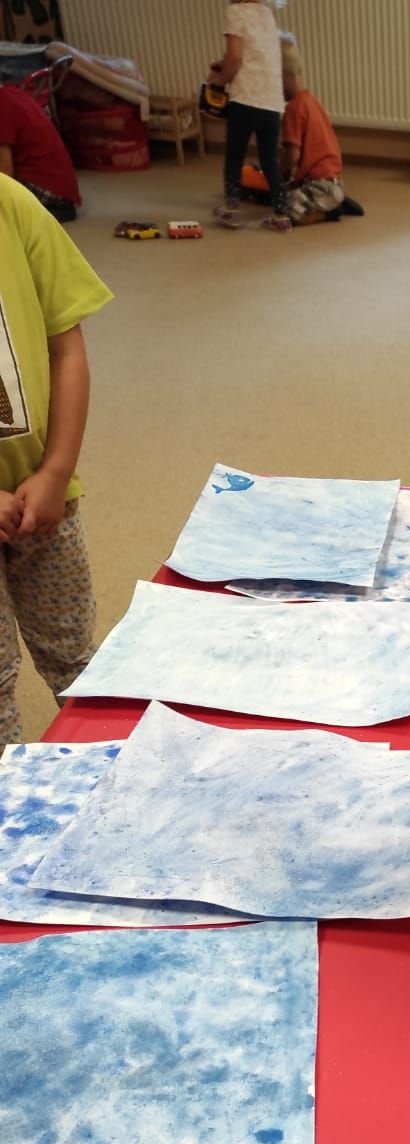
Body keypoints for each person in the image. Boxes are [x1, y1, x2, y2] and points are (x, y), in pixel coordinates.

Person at [0, 173, 111, 745]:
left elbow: (66, 348)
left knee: (77, 660)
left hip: (45, 500)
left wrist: (56, 471)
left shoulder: (11, 205)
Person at [209, 0, 290, 232]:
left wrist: (220, 80)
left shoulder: (236, 12)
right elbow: (258, 55)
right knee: (269, 159)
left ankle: (232, 209)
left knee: (235, 156)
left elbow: (235, 57)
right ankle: (281, 214)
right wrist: (225, 64)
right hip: (272, 100)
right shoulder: (267, 14)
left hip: (245, 98)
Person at [278, 32, 345, 225]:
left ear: (283, 77)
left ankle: (329, 213)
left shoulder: (293, 108)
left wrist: (279, 176)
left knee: (284, 208)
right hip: (334, 182)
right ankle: (333, 203)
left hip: (320, 186)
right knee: (291, 194)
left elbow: (293, 155)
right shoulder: (311, 101)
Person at [0, 82, 81, 222]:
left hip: (49, 192)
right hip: (60, 189)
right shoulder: (11, 93)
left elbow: (5, 170)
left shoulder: (2, 107)